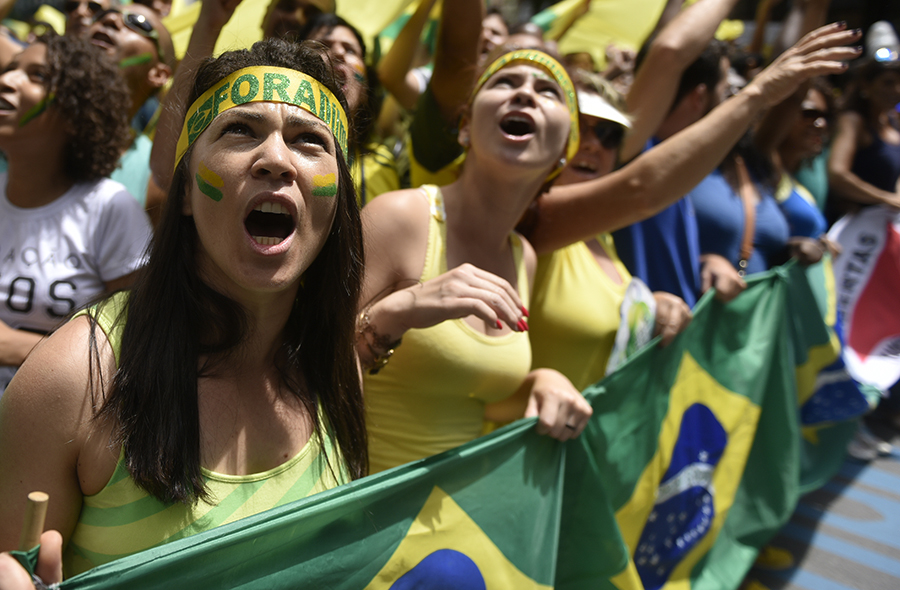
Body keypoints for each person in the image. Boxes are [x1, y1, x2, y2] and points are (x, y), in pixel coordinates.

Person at [0, 37, 367, 583]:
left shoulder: (336, 371)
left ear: (336, 202)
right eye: (239, 131)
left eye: (310, 140)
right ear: (188, 193)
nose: (276, 160)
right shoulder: (77, 377)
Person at [358, 48, 593, 474]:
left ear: (565, 152)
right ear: (465, 128)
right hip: (357, 517)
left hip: (453, 529)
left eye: (547, 91)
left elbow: (472, 391)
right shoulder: (399, 217)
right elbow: (302, 368)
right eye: (505, 82)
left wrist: (539, 382)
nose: (524, 93)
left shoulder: (525, 257)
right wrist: (398, 312)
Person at [0, 33, 151, 394]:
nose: (6, 80)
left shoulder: (109, 208)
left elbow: (141, 346)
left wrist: (20, 347)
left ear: (74, 113)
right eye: (9, 69)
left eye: (37, 76)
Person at [528, 73, 692, 392]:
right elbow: (669, 57)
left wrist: (649, 307)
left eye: (608, 134)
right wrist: (760, 94)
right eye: (579, 127)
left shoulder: (602, 236)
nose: (592, 143)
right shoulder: (531, 215)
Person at [87, 3, 174, 207]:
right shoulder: (19, 115)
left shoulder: (153, 176)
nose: (110, 20)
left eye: (137, 22)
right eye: (105, 14)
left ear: (158, 74)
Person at [828, 20, 900, 215]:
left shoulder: (893, 120)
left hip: (887, 227)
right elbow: (837, 174)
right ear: (865, 85)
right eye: (888, 83)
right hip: (855, 231)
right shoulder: (853, 121)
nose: (896, 90)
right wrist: (884, 199)